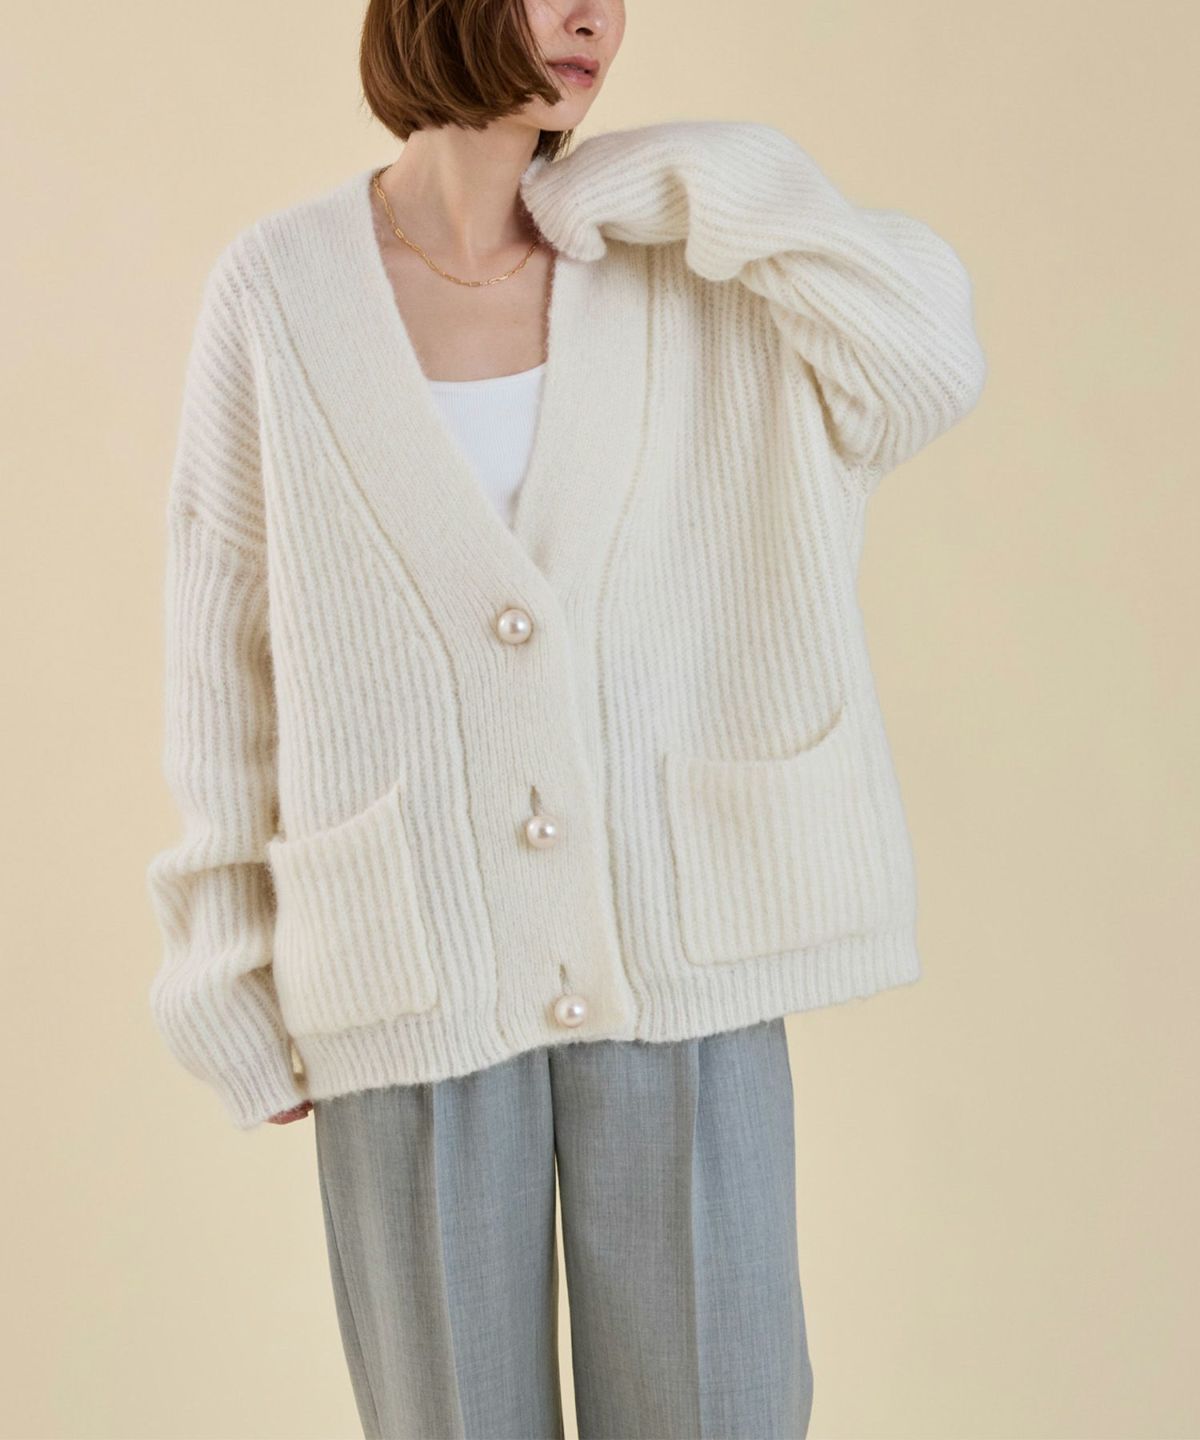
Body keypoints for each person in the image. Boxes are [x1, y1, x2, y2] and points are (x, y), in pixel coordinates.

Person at [144, 0, 987, 1434]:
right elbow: (226, 643)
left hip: (681, 939)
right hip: (412, 956)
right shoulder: (280, 290)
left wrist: (717, 178)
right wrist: (225, 964)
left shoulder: (685, 260)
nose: (593, 14)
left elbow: (925, 366)